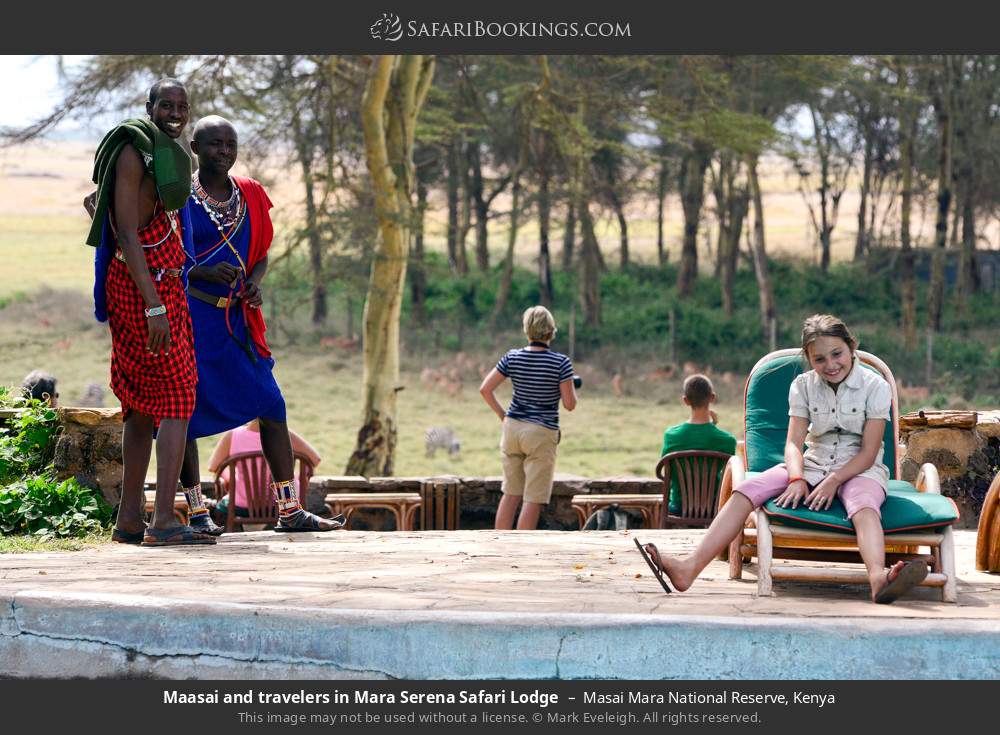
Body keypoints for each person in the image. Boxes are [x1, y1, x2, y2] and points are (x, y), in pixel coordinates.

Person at [637, 314, 928, 604]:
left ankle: (878, 578)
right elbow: (792, 444)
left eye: (837, 354)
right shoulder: (803, 386)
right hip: (812, 463)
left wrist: (834, 481)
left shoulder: (876, 386)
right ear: (809, 359)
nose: (830, 364)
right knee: (745, 491)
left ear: (852, 346)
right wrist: (797, 477)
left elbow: (869, 452)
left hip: (860, 469)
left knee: (864, 506)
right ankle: (688, 568)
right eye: (819, 359)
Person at [175, 116, 340, 532]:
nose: (224, 152)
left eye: (230, 144)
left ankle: (290, 510)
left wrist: (253, 282)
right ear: (195, 148)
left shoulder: (249, 193)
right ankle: (197, 513)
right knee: (184, 414)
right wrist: (201, 272)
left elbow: (261, 253)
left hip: (237, 320)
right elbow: (165, 260)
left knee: (271, 403)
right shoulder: (178, 198)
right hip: (192, 320)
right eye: (215, 144)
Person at [86, 78, 213, 547]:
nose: (175, 113)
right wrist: (155, 304)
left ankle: (128, 521)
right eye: (166, 105)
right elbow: (126, 231)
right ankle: (162, 520)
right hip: (146, 291)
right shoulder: (133, 153)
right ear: (150, 107)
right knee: (178, 397)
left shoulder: (161, 152)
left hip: (159, 285)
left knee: (141, 405)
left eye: (182, 106)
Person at [479, 305, 577, 530]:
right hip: (541, 432)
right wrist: (572, 386)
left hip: (512, 428)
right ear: (551, 331)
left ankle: (499, 542)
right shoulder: (561, 363)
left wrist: (503, 416)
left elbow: (485, 389)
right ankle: (523, 547)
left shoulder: (512, 357)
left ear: (527, 330)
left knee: (511, 493)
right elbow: (570, 405)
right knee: (533, 497)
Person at [207, 420, 321, 520]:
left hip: (241, 506)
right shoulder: (285, 434)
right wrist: (297, 478)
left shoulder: (232, 436)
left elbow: (213, 467)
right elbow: (315, 459)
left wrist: (230, 478)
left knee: (220, 505)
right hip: (285, 505)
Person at [659, 374, 736, 516]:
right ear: (712, 398)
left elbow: (666, 471)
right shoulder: (727, 440)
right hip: (713, 508)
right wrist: (713, 425)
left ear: (685, 401)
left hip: (679, 507)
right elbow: (729, 478)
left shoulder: (671, 436)